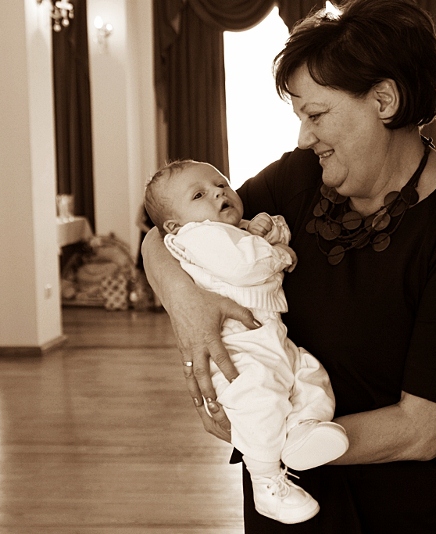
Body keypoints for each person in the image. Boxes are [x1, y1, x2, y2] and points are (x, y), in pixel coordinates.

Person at [141, 0, 436, 532]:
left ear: (384, 100)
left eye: (316, 115)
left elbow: (423, 428)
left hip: (398, 511)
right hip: (283, 507)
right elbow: (165, 234)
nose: (304, 138)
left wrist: (272, 439)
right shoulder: (296, 179)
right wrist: (187, 305)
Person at [143, 159, 351, 524]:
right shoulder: (197, 236)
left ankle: (301, 431)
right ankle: (267, 481)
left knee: (307, 374)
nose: (218, 193)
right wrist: (279, 253)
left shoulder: (230, 228)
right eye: (199, 195)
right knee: (258, 402)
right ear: (175, 225)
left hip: (267, 335)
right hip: (236, 345)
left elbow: (253, 241)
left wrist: (264, 228)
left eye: (221, 183)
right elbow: (243, 266)